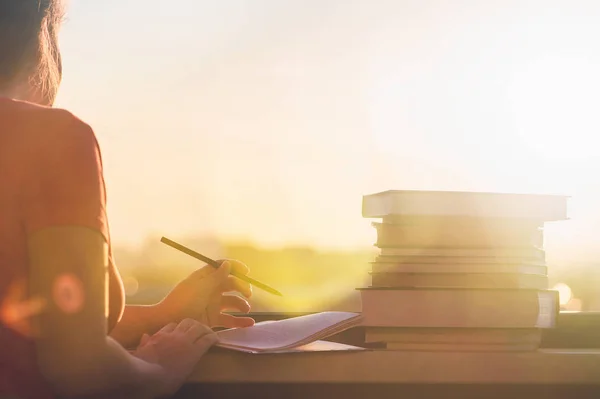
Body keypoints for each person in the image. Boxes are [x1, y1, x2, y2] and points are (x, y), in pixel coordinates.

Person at [0, 1, 255, 398]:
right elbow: (78, 364)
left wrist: (160, 317)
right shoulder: (49, 138)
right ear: (41, 38)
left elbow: (31, 329)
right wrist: (159, 367)